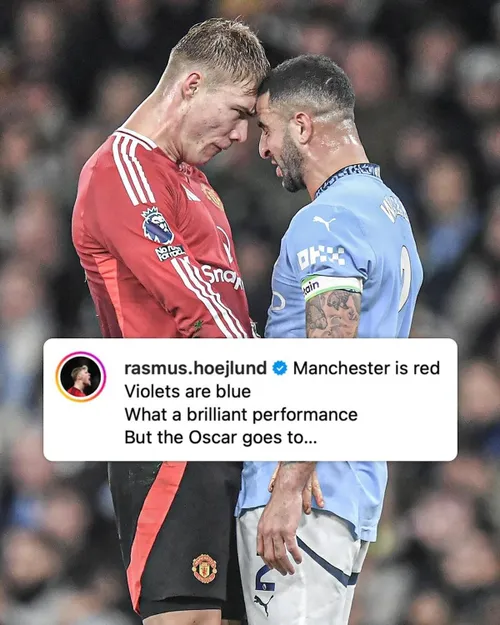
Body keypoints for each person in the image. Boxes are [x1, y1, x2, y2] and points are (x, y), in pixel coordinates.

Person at [71, 18, 269, 625]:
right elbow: (195, 305)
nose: (240, 135)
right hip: (170, 431)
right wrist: (281, 396)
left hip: (226, 421)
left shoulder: (195, 182)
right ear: (191, 85)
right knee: (189, 619)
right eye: (237, 113)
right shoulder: (121, 169)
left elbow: (228, 309)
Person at [236, 55, 424, 625]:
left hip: (307, 493)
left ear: (301, 125)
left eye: (266, 129)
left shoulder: (326, 221)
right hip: (351, 484)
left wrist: (289, 483)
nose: (262, 147)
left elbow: (330, 357)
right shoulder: (388, 213)